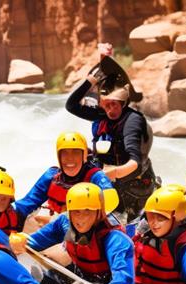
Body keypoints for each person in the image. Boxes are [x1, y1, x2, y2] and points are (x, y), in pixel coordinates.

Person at [9, 183, 136, 284]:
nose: (80, 218)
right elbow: (34, 242)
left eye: (87, 211)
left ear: (99, 212)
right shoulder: (64, 223)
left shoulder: (115, 239)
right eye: (76, 211)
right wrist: (20, 242)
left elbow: (124, 279)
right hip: (83, 280)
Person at [65, 45, 156, 221]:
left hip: (134, 188)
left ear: (123, 102)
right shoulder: (102, 114)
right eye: (106, 105)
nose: (110, 110)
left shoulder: (132, 121)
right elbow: (71, 105)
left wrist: (112, 173)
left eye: (114, 104)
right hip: (108, 183)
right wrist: (91, 80)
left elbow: (134, 162)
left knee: (114, 224)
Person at [16, 131, 114, 224]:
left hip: (85, 226)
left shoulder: (96, 176)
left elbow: (111, 201)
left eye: (75, 152)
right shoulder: (51, 175)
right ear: (59, 157)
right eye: (64, 153)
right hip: (57, 224)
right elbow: (27, 202)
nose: (70, 158)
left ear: (84, 156)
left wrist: (64, 218)